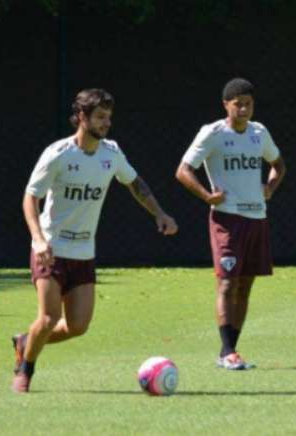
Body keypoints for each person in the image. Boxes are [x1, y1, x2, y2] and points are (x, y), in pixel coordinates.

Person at [11, 88, 179, 393]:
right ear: (81, 117)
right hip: (51, 249)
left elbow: (135, 184)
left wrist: (160, 213)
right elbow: (30, 198)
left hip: (84, 252)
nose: (106, 123)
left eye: (109, 117)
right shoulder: (58, 154)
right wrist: (37, 240)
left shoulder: (111, 154)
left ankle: (25, 341)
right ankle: (26, 369)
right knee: (49, 318)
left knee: (78, 327)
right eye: (100, 117)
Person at [175, 78, 286, 370]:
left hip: (257, 218)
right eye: (238, 104)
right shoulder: (212, 133)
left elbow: (279, 165)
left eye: (248, 103)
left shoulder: (259, 132)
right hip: (227, 219)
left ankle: (232, 350)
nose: (244, 109)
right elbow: (183, 171)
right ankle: (226, 352)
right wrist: (207, 196)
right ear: (226, 104)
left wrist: (270, 189)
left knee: (245, 285)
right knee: (226, 282)